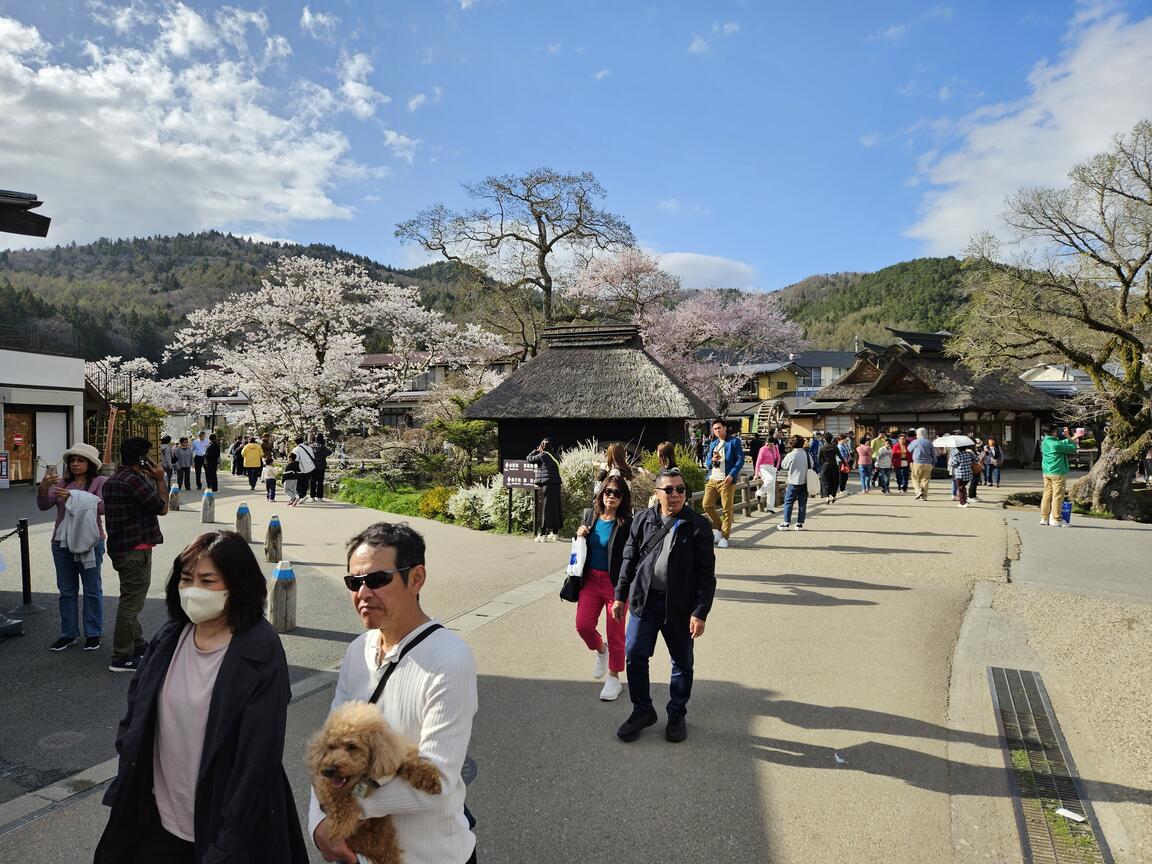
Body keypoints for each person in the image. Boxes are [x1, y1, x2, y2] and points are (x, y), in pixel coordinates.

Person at [94, 531, 308, 864]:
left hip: (222, 827)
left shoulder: (259, 649)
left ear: (236, 585)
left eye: (208, 581)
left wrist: (228, 841)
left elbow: (258, 757)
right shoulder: (170, 635)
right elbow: (137, 710)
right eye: (186, 578)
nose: (194, 590)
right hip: (157, 816)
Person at [309, 522, 478, 864]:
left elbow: (437, 783)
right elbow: (327, 754)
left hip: (431, 854)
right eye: (354, 583)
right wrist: (318, 824)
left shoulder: (449, 659)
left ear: (416, 578)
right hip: (359, 853)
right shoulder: (358, 650)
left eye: (377, 580)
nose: (363, 593)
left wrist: (345, 808)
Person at [612, 468, 715, 744]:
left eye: (680, 489)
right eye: (668, 490)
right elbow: (629, 559)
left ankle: (676, 713)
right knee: (634, 654)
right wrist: (620, 595)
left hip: (680, 607)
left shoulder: (698, 526)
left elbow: (706, 575)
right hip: (644, 600)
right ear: (656, 493)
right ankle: (642, 710)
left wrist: (700, 611)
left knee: (682, 662)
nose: (676, 495)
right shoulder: (642, 521)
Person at [102, 437, 169, 673]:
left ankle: (137, 642)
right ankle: (121, 656)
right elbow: (162, 507)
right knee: (130, 604)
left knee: (130, 597)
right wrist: (160, 480)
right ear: (142, 459)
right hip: (136, 551)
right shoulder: (134, 482)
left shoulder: (113, 481)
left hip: (120, 549)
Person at [37, 442, 108, 652]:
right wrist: (43, 487)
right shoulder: (61, 483)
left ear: (90, 464)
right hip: (60, 542)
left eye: (81, 460)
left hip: (90, 541)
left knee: (92, 588)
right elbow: (43, 506)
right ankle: (68, 633)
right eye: (73, 460)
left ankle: (93, 633)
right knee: (66, 589)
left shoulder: (100, 481)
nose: (75, 464)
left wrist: (75, 497)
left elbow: (103, 507)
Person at [574, 475, 633, 702]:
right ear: (602, 493)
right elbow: (581, 548)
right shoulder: (590, 515)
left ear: (623, 498)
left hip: (615, 584)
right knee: (583, 626)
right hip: (589, 580)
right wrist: (580, 534)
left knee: (616, 632)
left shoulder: (627, 522)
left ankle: (614, 677)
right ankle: (601, 649)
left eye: (617, 493)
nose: (611, 496)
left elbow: (632, 556)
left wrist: (625, 589)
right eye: (608, 491)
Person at [702, 418, 744, 549]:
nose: (717, 431)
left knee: (727, 509)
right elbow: (707, 463)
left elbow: (740, 459)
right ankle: (720, 529)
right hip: (713, 479)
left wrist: (732, 474)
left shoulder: (734, 442)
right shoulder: (713, 443)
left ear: (725, 428)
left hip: (726, 480)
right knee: (706, 505)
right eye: (715, 429)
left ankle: (724, 537)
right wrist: (712, 460)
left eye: (719, 428)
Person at [1040, 424, 1082, 527]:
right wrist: (1068, 436)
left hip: (1047, 472)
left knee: (1046, 495)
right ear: (1054, 432)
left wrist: (1075, 436)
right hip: (1057, 472)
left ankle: (1044, 518)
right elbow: (1072, 448)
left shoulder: (1044, 442)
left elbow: (1061, 443)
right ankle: (1056, 518)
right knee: (1057, 496)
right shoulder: (1055, 444)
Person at [527, 438, 562, 541]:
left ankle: (543, 535)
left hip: (548, 485)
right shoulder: (556, 456)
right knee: (555, 508)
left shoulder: (542, 455)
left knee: (546, 510)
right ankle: (555, 533)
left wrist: (536, 450)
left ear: (542, 447)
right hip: (556, 484)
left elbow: (529, 458)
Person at [778, 435, 813, 531]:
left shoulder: (791, 455)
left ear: (792, 444)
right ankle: (799, 524)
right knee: (802, 503)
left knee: (788, 502)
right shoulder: (807, 454)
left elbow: (784, 465)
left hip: (793, 481)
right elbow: (812, 464)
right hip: (804, 481)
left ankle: (786, 523)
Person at [754, 434, 782, 513]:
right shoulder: (763, 449)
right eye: (767, 444)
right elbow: (758, 461)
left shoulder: (775, 448)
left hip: (772, 467)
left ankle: (770, 508)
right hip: (763, 467)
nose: (769, 446)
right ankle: (759, 493)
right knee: (770, 480)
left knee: (772, 489)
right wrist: (756, 473)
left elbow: (779, 457)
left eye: (770, 444)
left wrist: (776, 467)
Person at [908, 427, 937, 500]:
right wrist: (934, 462)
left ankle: (918, 491)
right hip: (928, 463)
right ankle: (925, 496)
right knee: (925, 480)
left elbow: (909, 449)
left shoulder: (915, 442)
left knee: (915, 478)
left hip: (917, 462)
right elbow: (933, 453)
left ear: (918, 434)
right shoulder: (929, 442)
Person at [817, 432, 841, 505]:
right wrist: (845, 464)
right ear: (832, 439)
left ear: (824, 439)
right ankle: (833, 496)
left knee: (825, 481)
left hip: (825, 466)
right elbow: (840, 456)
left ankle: (826, 497)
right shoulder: (835, 447)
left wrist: (823, 465)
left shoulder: (822, 448)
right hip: (834, 465)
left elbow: (819, 459)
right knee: (835, 481)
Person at [292, 436, 317, 504]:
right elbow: (313, 456)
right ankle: (304, 495)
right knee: (305, 482)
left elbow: (295, 460)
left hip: (301, 468)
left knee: (298, 483)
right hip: (310, 467)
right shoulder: (308, 448)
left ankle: (302, 496)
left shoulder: (295, 449)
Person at [310, 434, 332, 500]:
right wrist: (322, 455)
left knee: (313, 482)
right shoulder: (323, 447)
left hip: (313, 466)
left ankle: (312, 497)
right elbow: (330, 452)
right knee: (320, 482)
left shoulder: (311, 446)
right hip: (321, 467)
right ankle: (319, 497)